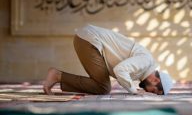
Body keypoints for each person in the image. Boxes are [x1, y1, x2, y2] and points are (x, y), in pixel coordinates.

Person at [43, 24, 173, 95]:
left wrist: (133, 87)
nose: (150, 92)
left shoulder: (143, 68)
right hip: (89, 40)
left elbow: (122, 71)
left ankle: (59, 77)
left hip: (87, 39)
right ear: (155, 80)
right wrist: (133, 91)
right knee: (103, 88)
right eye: (155, 90)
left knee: (102, 87)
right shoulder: (146, 61)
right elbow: (120, 69)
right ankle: (57, 76)